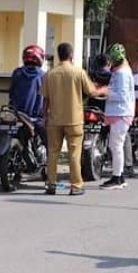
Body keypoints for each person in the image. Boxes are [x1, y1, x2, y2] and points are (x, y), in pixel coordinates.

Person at [41, 42, 97, 196]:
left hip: (54, 119)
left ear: (59, 55)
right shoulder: (79, 72)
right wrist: (105, 89)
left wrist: (44, 116)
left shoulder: (50, 74)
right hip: (74, 119)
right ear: (71, 54)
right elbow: (91, 92)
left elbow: (45, 99)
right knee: (74, 153)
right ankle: (76, 185)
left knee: (52, 153)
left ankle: (51, 184)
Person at [90, 43, 134, 190]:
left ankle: (117, 178)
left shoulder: (122, 74)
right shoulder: (119, 72)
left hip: (121, 112)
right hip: (118, 112)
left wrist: (104, 91)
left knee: (116, 146)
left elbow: (121, 95)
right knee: (115, 146)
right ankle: (119, 176)